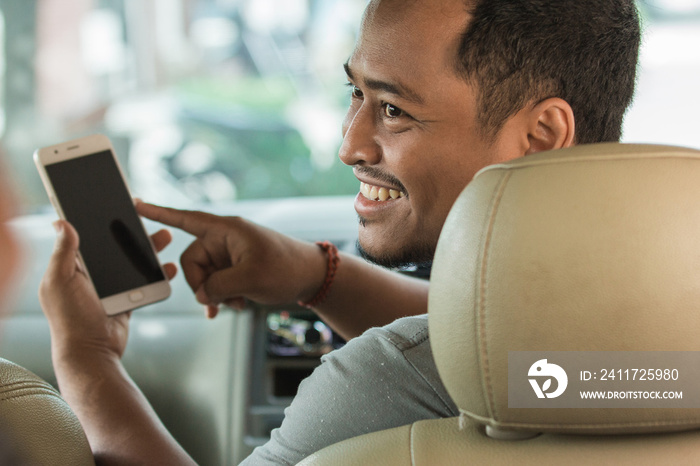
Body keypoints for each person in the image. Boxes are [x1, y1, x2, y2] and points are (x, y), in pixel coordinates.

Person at [39, 0, 641, 464]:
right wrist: (318, 276)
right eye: (355, 92)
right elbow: (478, 356)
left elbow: (435, 363)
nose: (348, 144)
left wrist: (87, 361)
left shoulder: (380, 385)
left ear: (538, 137)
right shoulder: (652, 344)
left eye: (394, 108)